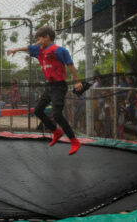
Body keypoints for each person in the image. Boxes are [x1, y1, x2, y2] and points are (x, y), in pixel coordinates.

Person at [7, 26, 82, 155]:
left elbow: (70, 65)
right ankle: (56, 131)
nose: (37, 42)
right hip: (49, 86)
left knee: (57, 114)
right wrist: (15, 49)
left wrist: (77, 81)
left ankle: (74, 140)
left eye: (39, 39)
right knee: (37, 110)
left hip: (59, 86)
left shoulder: (59, 51)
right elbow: (28, 48)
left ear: (47, 37)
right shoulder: (39, 50)